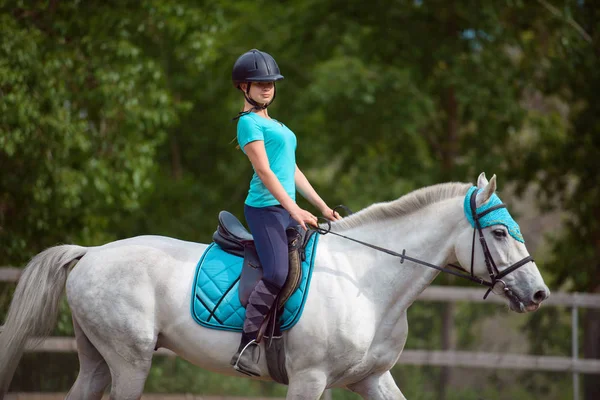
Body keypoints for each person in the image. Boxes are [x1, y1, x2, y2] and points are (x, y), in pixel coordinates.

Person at [229, 49, 341, 376]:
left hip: (286, 210)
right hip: (265, 210)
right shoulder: (248, 124)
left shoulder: (277, 125)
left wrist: (321, 206)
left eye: (271, 83)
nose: (267, 88)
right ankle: (248, 344)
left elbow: (291, 170)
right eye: (260, 83)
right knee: (277, 273)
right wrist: (295, 210)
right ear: (243, 87)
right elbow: (265, 172)